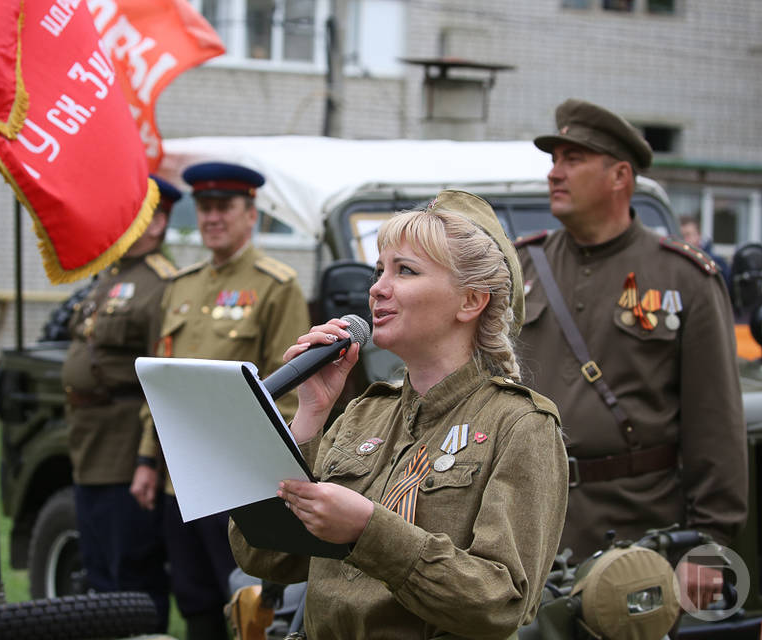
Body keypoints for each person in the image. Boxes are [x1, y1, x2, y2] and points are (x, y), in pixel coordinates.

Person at [229, 190, 568, 639]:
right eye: (378, 271)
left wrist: (368, 531)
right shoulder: (365, 413)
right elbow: (265, 556)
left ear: (471, 301)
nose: (377, 288)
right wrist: (309, 415)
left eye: (405, 271)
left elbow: (500, 602)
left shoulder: (521, 425)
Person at [514, 98, 748, 611]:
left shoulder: (682, 277)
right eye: (554, 160)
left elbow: (716, 425)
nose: (555, 173)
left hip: (637, 532)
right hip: (524, 522)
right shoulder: (521, 266)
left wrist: (709, 545)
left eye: (572, 159)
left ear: (620, 175)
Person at [132, 162, 311, 640]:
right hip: (179, 479)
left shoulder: (276, 286)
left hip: (236, 480)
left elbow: (289, 389)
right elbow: (163, 384)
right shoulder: (181, 286)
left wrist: (273, 473)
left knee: (244, 602)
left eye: (224, 208)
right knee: (193, 601)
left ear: (250, 215)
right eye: (204, 208)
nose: (212, 218)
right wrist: (147, 459)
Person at [61, 174, 179, 630]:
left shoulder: (162, 283)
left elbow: (160, 373)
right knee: (97, 571)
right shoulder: (110, 275)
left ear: (158, 223)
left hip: (124, 444)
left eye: (136, 213)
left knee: (131, 574)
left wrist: (145, 459)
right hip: (88, 442)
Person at [679, 215, 732, 290]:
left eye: (688, 235)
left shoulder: (716, 262)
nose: (684, 240)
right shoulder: (675, 261)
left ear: (698, 236)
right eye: (681, 236)